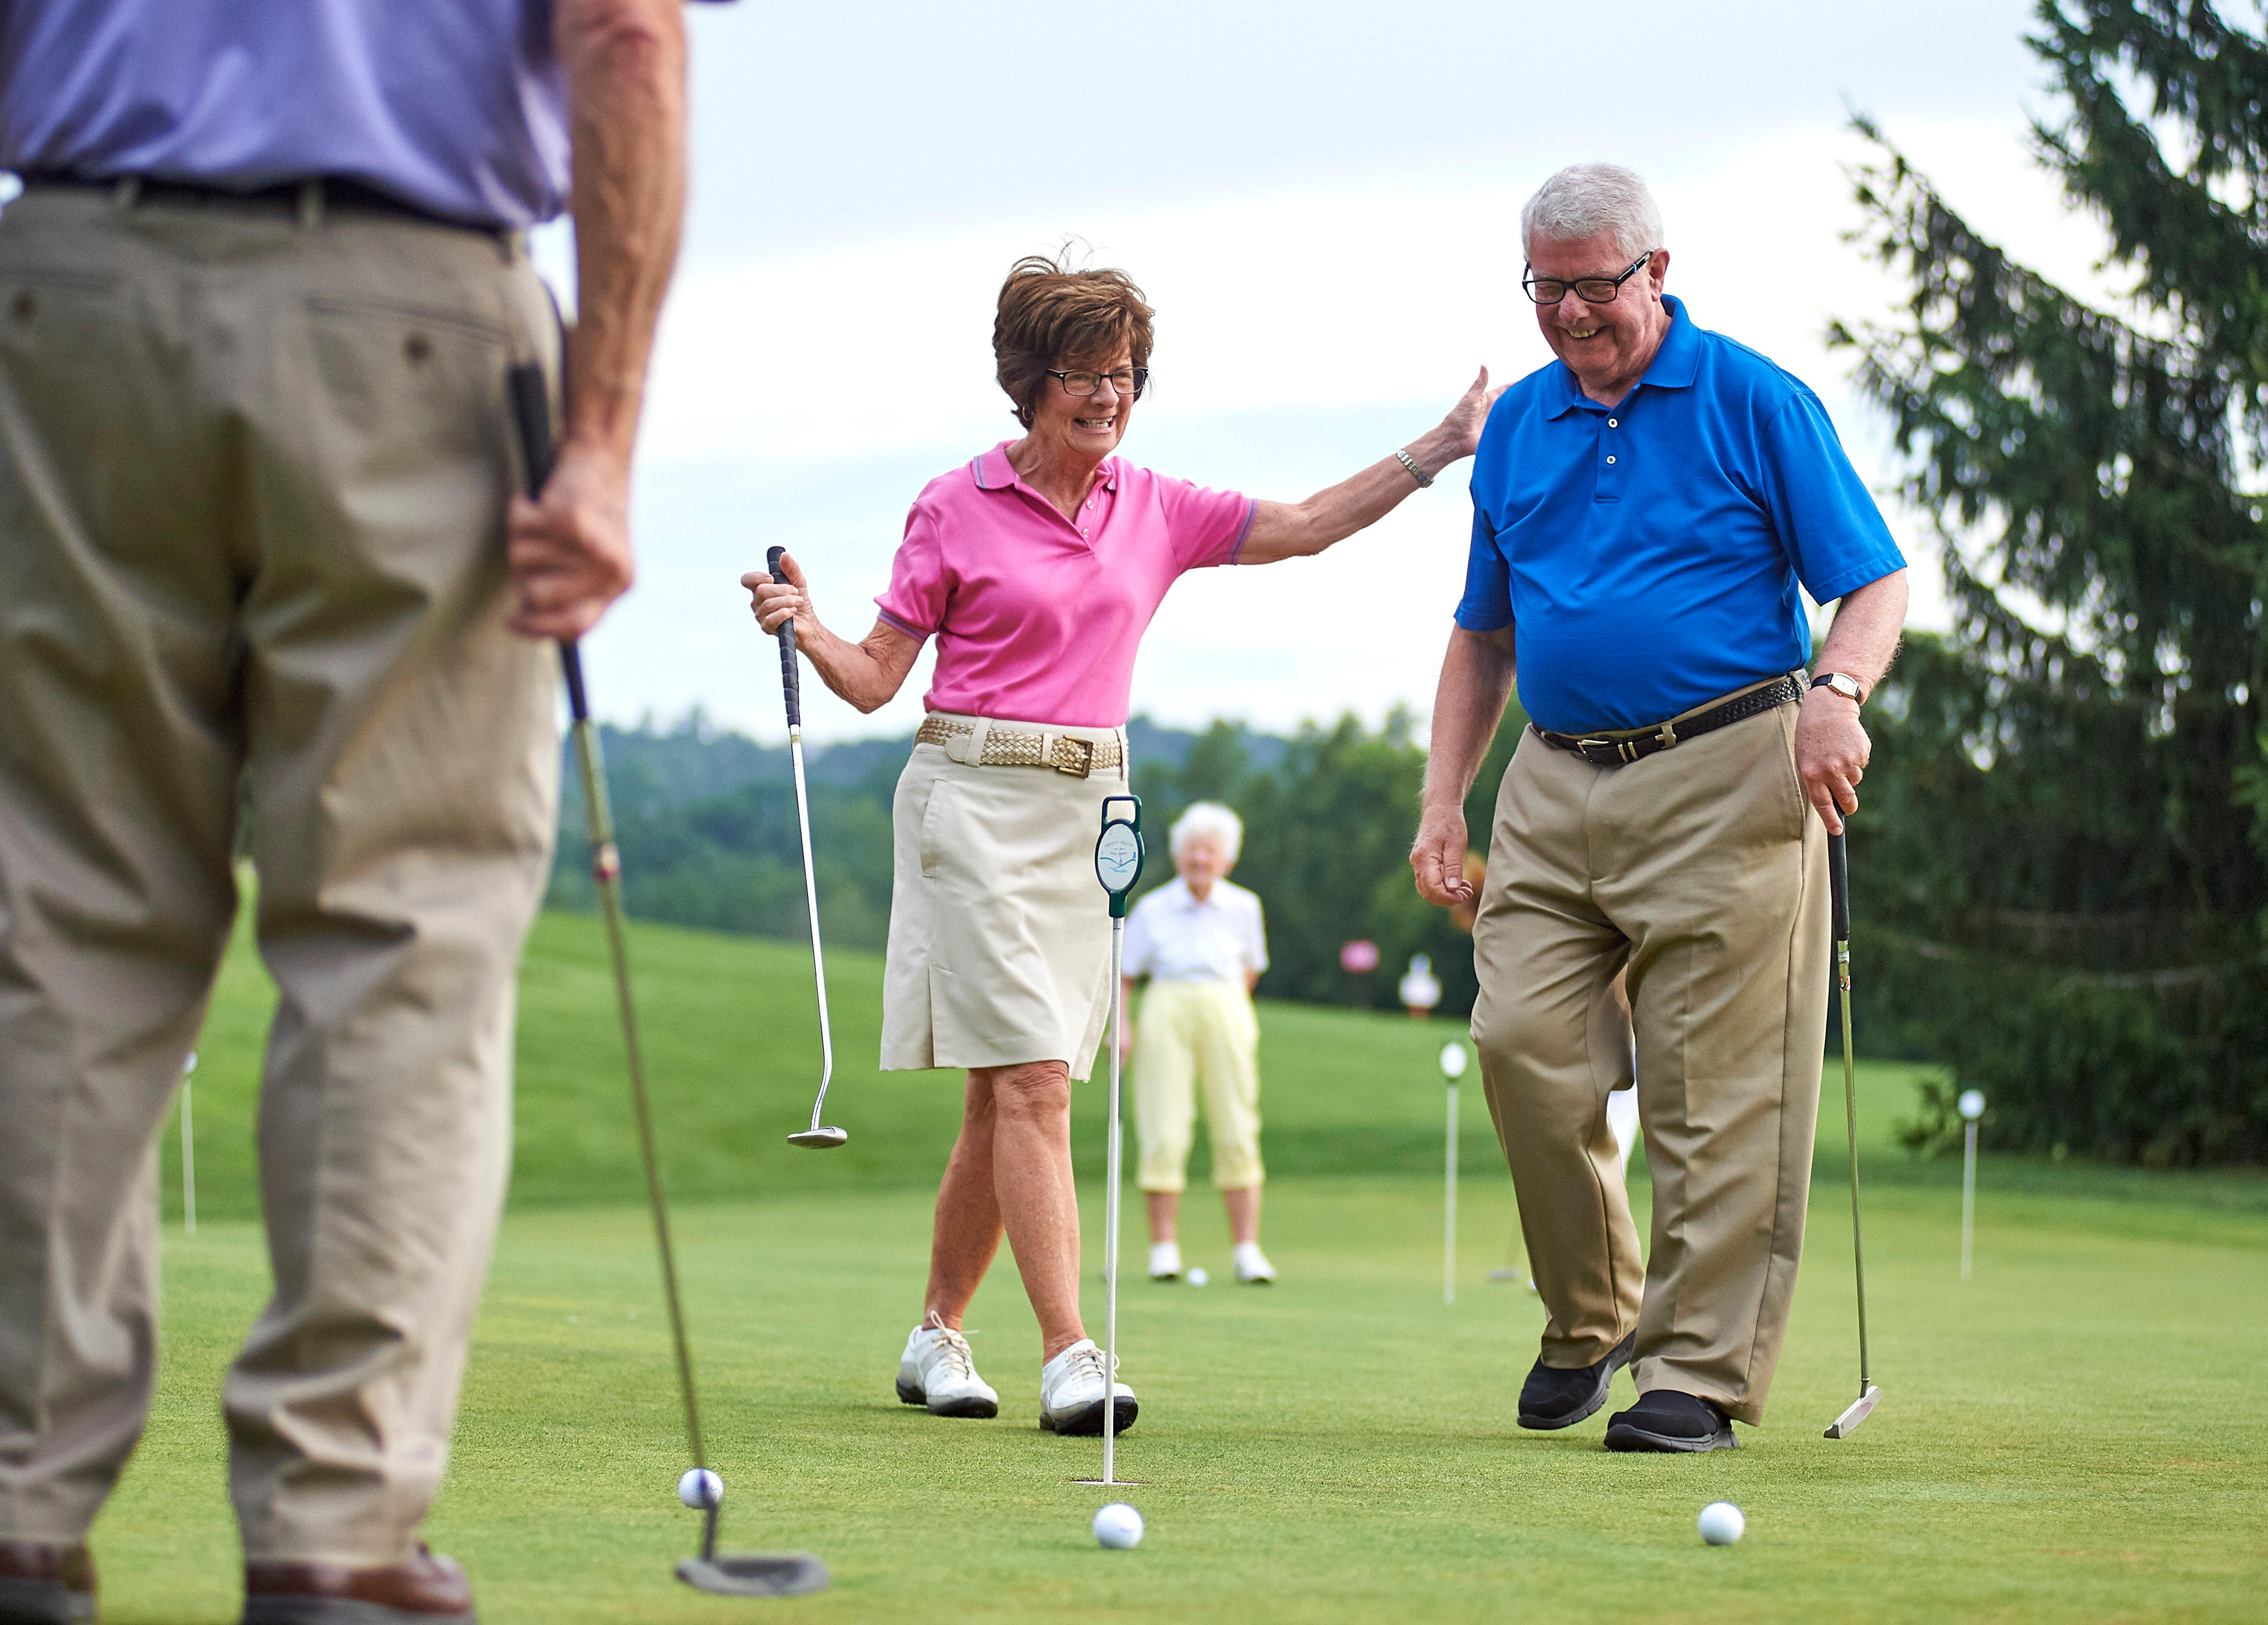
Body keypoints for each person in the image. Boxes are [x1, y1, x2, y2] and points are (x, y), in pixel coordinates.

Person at [0, 3, 688, 1620]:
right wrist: (600, 440)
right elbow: (625, 35)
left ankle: (18, 1498)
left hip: (74, 285)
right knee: (400, 932)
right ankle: (333, 1522)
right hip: (413, 312)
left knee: (56, 916)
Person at [744, 251, 1495, 1438]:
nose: (1110, 398)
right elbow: (874, 680)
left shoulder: (1151, 506)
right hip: (972, 802)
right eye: (1087, 377)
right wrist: (811, 626)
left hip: (1089, 813)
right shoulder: (954, 505)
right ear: (1031, 382)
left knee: (1007, 1096)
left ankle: (937, 1331)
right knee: (1032, 1078)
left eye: (1126, 376)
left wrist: (1437, 450)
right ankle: (1069, 1353)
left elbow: (1300, 527)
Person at [1409, 162, 1909, 1454]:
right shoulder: (1518, 425)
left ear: (1657, 273)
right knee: (1521, 1044)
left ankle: (1695, 1373)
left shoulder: (1754, 400)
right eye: (1546, 289)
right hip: (1555, 775)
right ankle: (1592, 1319)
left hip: (1730, 769)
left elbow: (1873, 584)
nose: (1571, 314)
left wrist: (1837, 693)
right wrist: (1443, 800)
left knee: (1716, 1089)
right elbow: (1482, 634)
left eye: (1594, 286)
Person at [1117, 802, 1274, 1284]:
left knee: (1236, 1125)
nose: (1200, 859)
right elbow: (1124, 974)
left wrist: (1225, 1010)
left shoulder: (1244, 906)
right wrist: (1121, 1026)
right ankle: (1164, 1248)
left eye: (1210, 851)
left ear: (1226, 859)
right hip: (1167, 1000)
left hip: (1225, 1001)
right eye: (1192, 850)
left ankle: (1246, 1250)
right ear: (1178, 855)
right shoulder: (1153, 907)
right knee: (1164, 1127)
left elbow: (1250, 969)